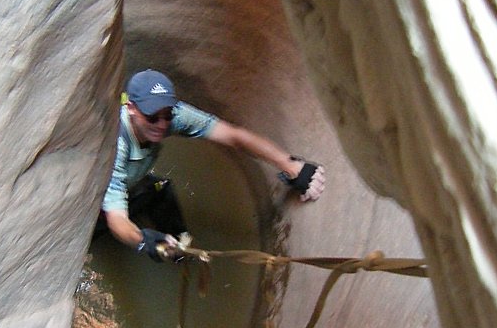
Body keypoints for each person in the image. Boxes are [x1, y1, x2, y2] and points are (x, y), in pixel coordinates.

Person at [96, 69, 326, 260]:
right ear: (131, 108)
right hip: (98, 197)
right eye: (153, 117)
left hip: (136, 182)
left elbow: (233, 136)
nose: (162, 124)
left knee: (161, 191)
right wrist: (143, 242)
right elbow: (117, 219)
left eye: (167, 115)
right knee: (99, 226)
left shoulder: (172, 117)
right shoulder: (116, 147)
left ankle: (180, 248)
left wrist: (292, 166)